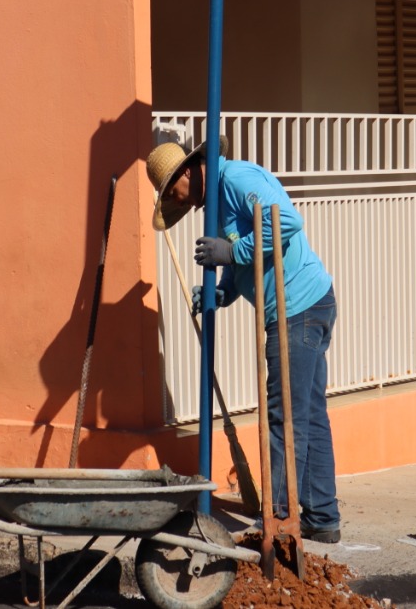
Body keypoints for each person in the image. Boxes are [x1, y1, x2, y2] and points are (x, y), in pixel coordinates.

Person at [146, 139, 341, 544]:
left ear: (185, 174)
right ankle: (322, 519)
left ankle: (280, 518)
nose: (177, 202)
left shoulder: (234, 178)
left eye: (170, 193)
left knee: (283, 416)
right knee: (308, 415)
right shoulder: (214, 203)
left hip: (299, 308)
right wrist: (224, 291)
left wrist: (232, 251)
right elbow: (245, 265)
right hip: (302, 306)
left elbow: (285, 222)